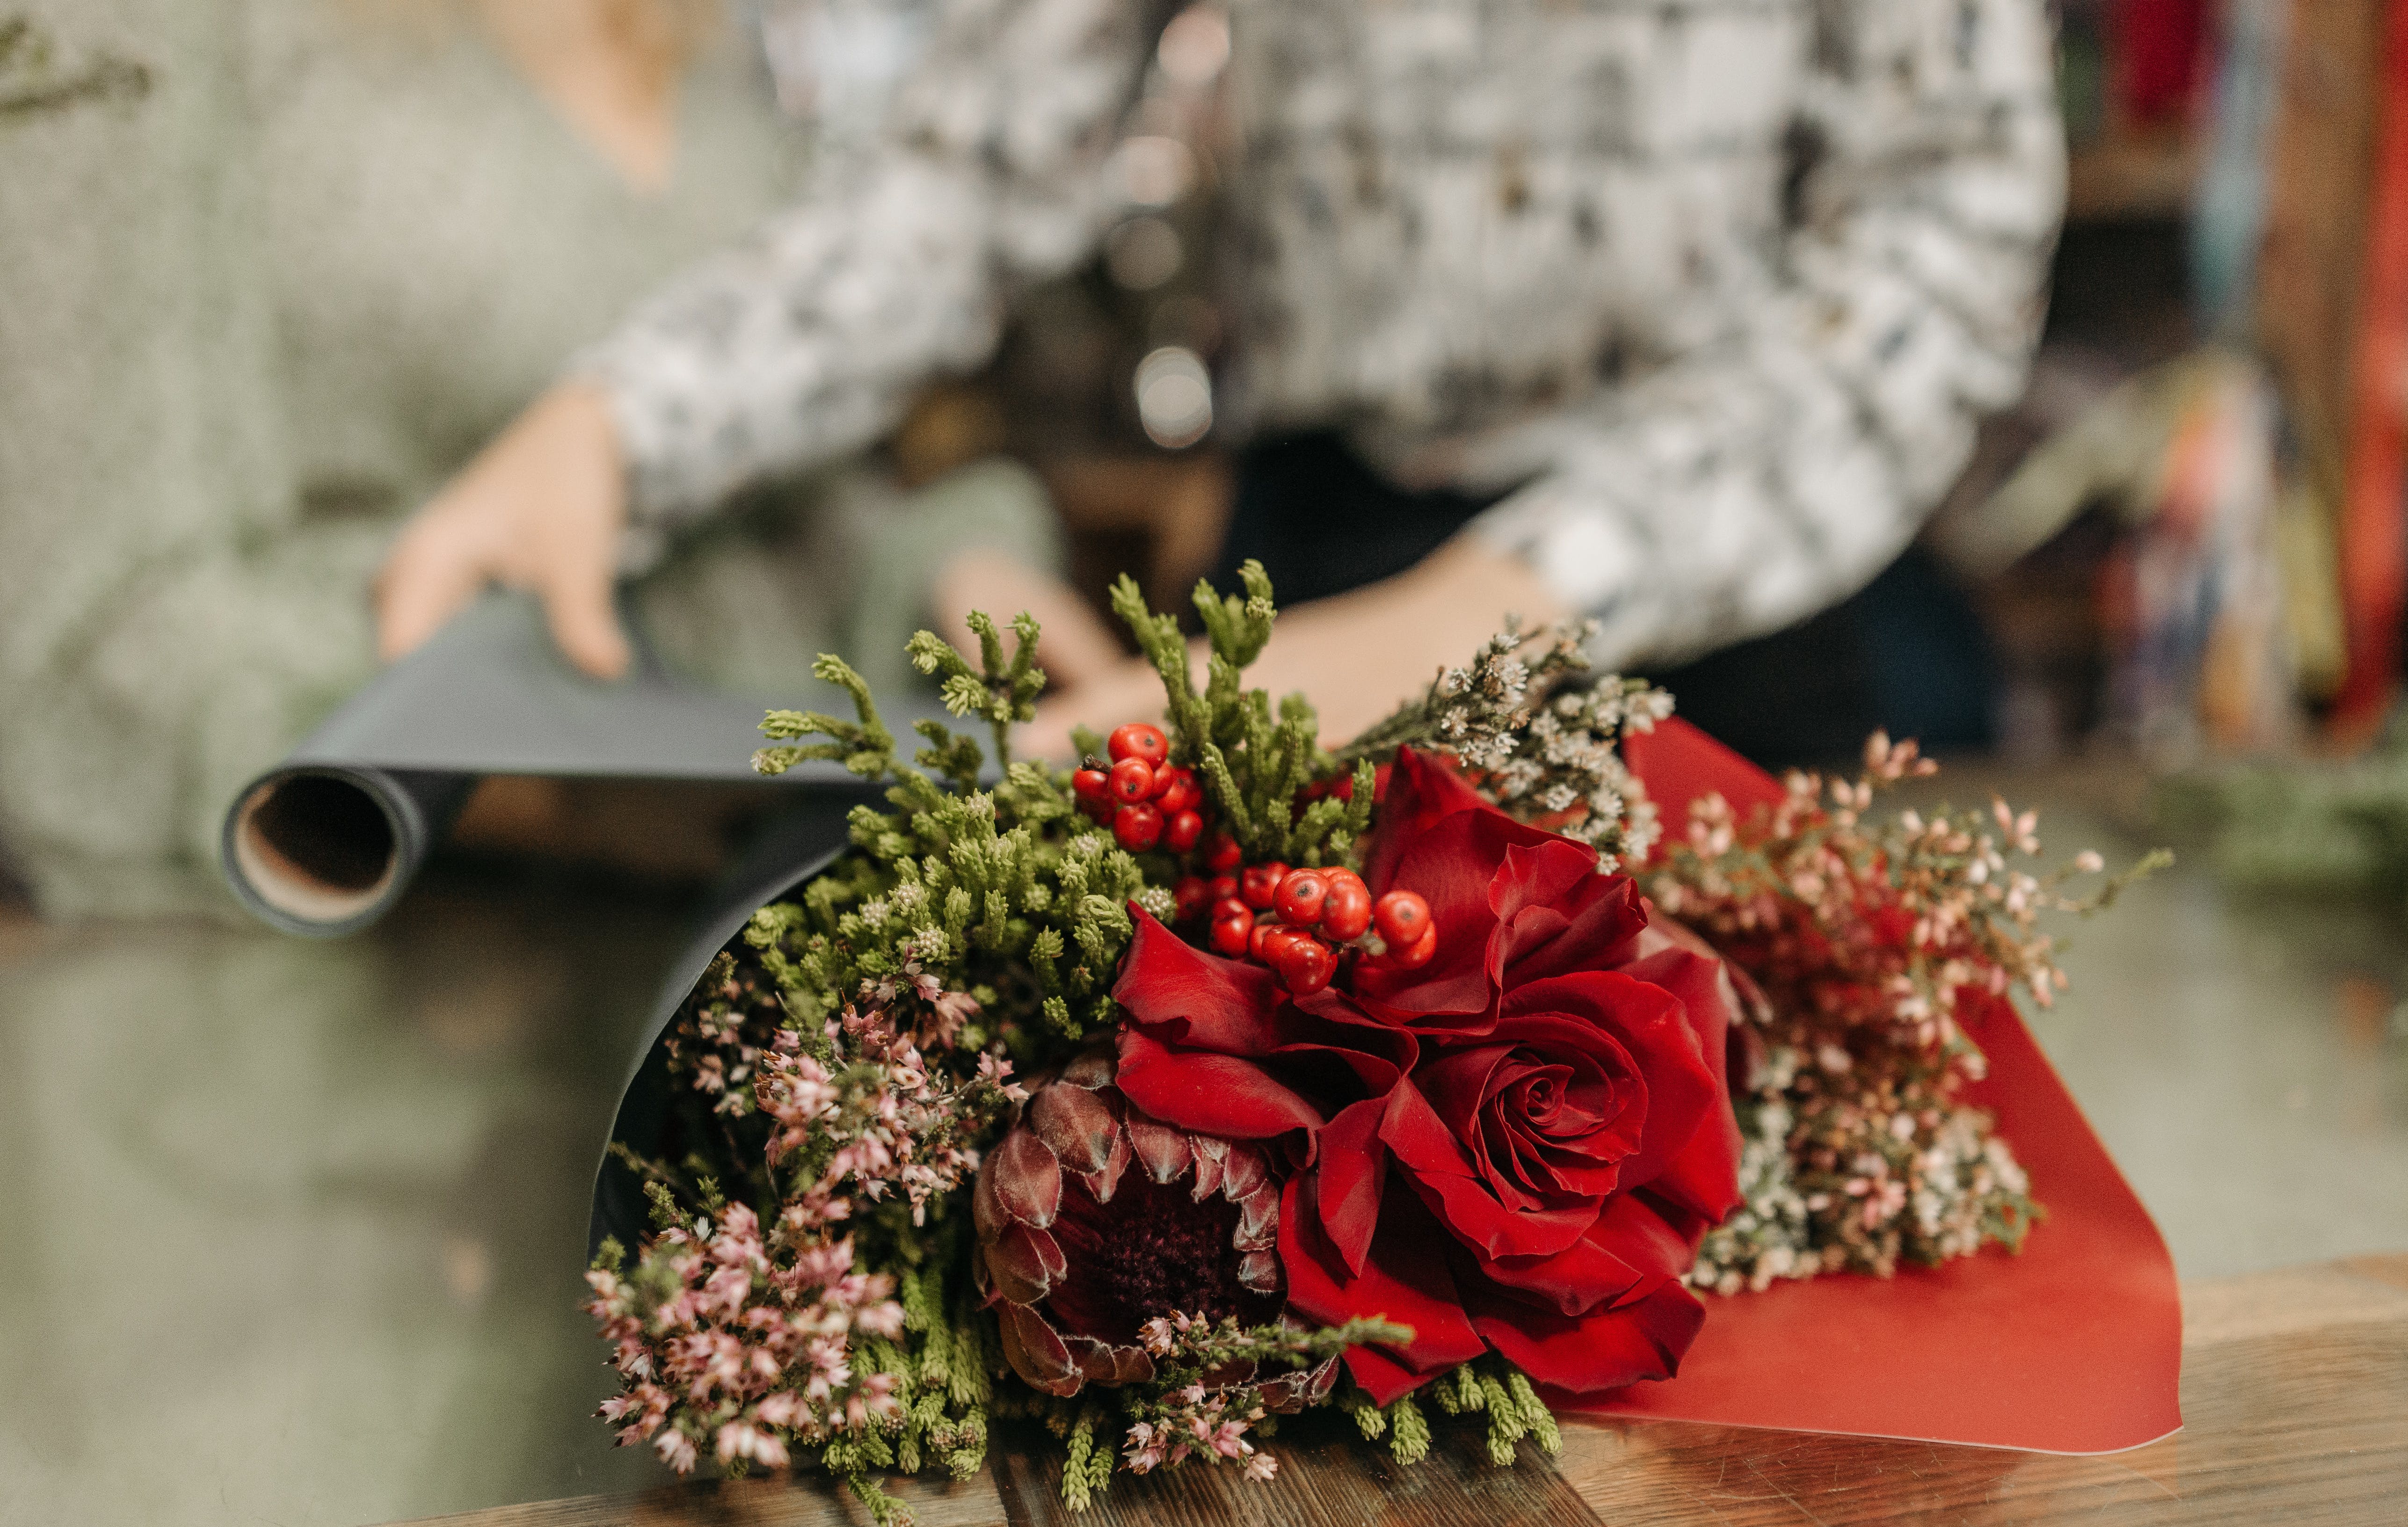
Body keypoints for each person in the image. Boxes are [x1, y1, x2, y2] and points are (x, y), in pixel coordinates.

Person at [378, 0, 2066, 758]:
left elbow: (1938, 226)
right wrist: (627, 417)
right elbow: (963, 169)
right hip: (1310, 558)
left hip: (1719, 591)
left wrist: (1475, 617)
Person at [0, 0, 1060, 916]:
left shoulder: (712, 39)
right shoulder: (168, 29)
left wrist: (931, 567)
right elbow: (75, 630)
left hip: (785, 934)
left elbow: (747, 473)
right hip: (378, 990)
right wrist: (528, 776)